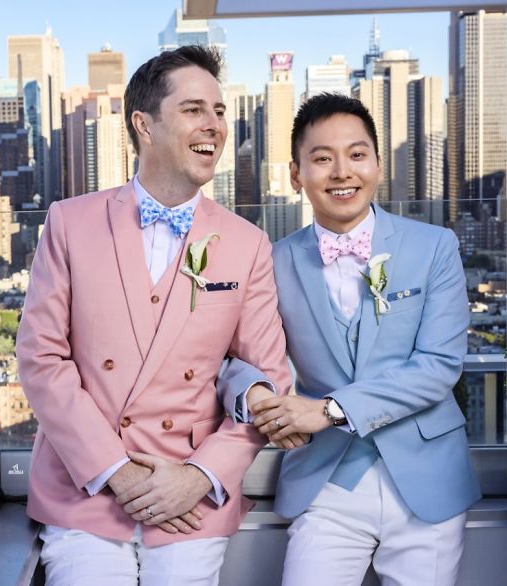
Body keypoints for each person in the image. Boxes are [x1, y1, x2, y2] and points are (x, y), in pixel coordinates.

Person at [15, 45, 296, 585]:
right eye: (194, 110)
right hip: (86, 486)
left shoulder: (248, 244)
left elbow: (269, 380)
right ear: (144, 124)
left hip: (190, 498)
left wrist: (199, 476)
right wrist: (115, 472)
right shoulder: (69, 223)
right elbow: (41, 359)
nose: (214, 125)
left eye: (219, 111)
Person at [220, 93, 481, 585]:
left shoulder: (434, 247)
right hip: (326, 483)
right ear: (297, 174)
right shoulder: (270, 260)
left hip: (428, 479)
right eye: (322, 158)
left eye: (357, 155)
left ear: (378, 165)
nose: (342, 172)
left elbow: (439, 366)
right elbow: (232, 355)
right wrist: (255, 392)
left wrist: (326, 410)